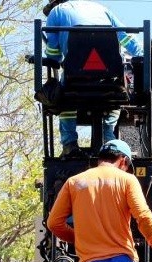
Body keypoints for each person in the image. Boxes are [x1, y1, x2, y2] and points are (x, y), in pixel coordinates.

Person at [43, 0, 144, 158]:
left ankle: (70, 145)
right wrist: (143, 59)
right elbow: (126, 38)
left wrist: (54, 57)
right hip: (110, 78)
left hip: (74, 79)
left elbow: (53, 54)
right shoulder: (102, 10)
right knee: (114, 97)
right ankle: (108, 138)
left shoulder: (56, 12)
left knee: (63, 99)